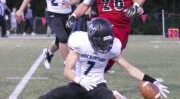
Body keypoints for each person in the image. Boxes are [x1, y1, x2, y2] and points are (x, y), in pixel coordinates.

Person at [39, 18, 169, 99]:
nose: (106, 46)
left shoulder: (113, 46)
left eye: (108, 41)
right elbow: (67, 70)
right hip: (78, 85)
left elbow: (129, 68)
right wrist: (79, 80)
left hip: (98, 87)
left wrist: (153, 81)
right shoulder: (80, 42)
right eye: (102, 42)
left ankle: (116, 95)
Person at [66, 0, 148, 72]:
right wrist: (73, 16)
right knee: (96, 51)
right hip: (104, 25)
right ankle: (78, 71)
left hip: (122, 25)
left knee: (114, 55)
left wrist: (135, 6)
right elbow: (85, 4)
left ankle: (91, 74)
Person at [16, 0, 80, 67]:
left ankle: (48, 52)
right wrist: (20, 9)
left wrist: (70, 2)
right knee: (63, 39)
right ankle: (68, 65)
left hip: (67, 15)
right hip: (53, 14)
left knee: (59, 41)